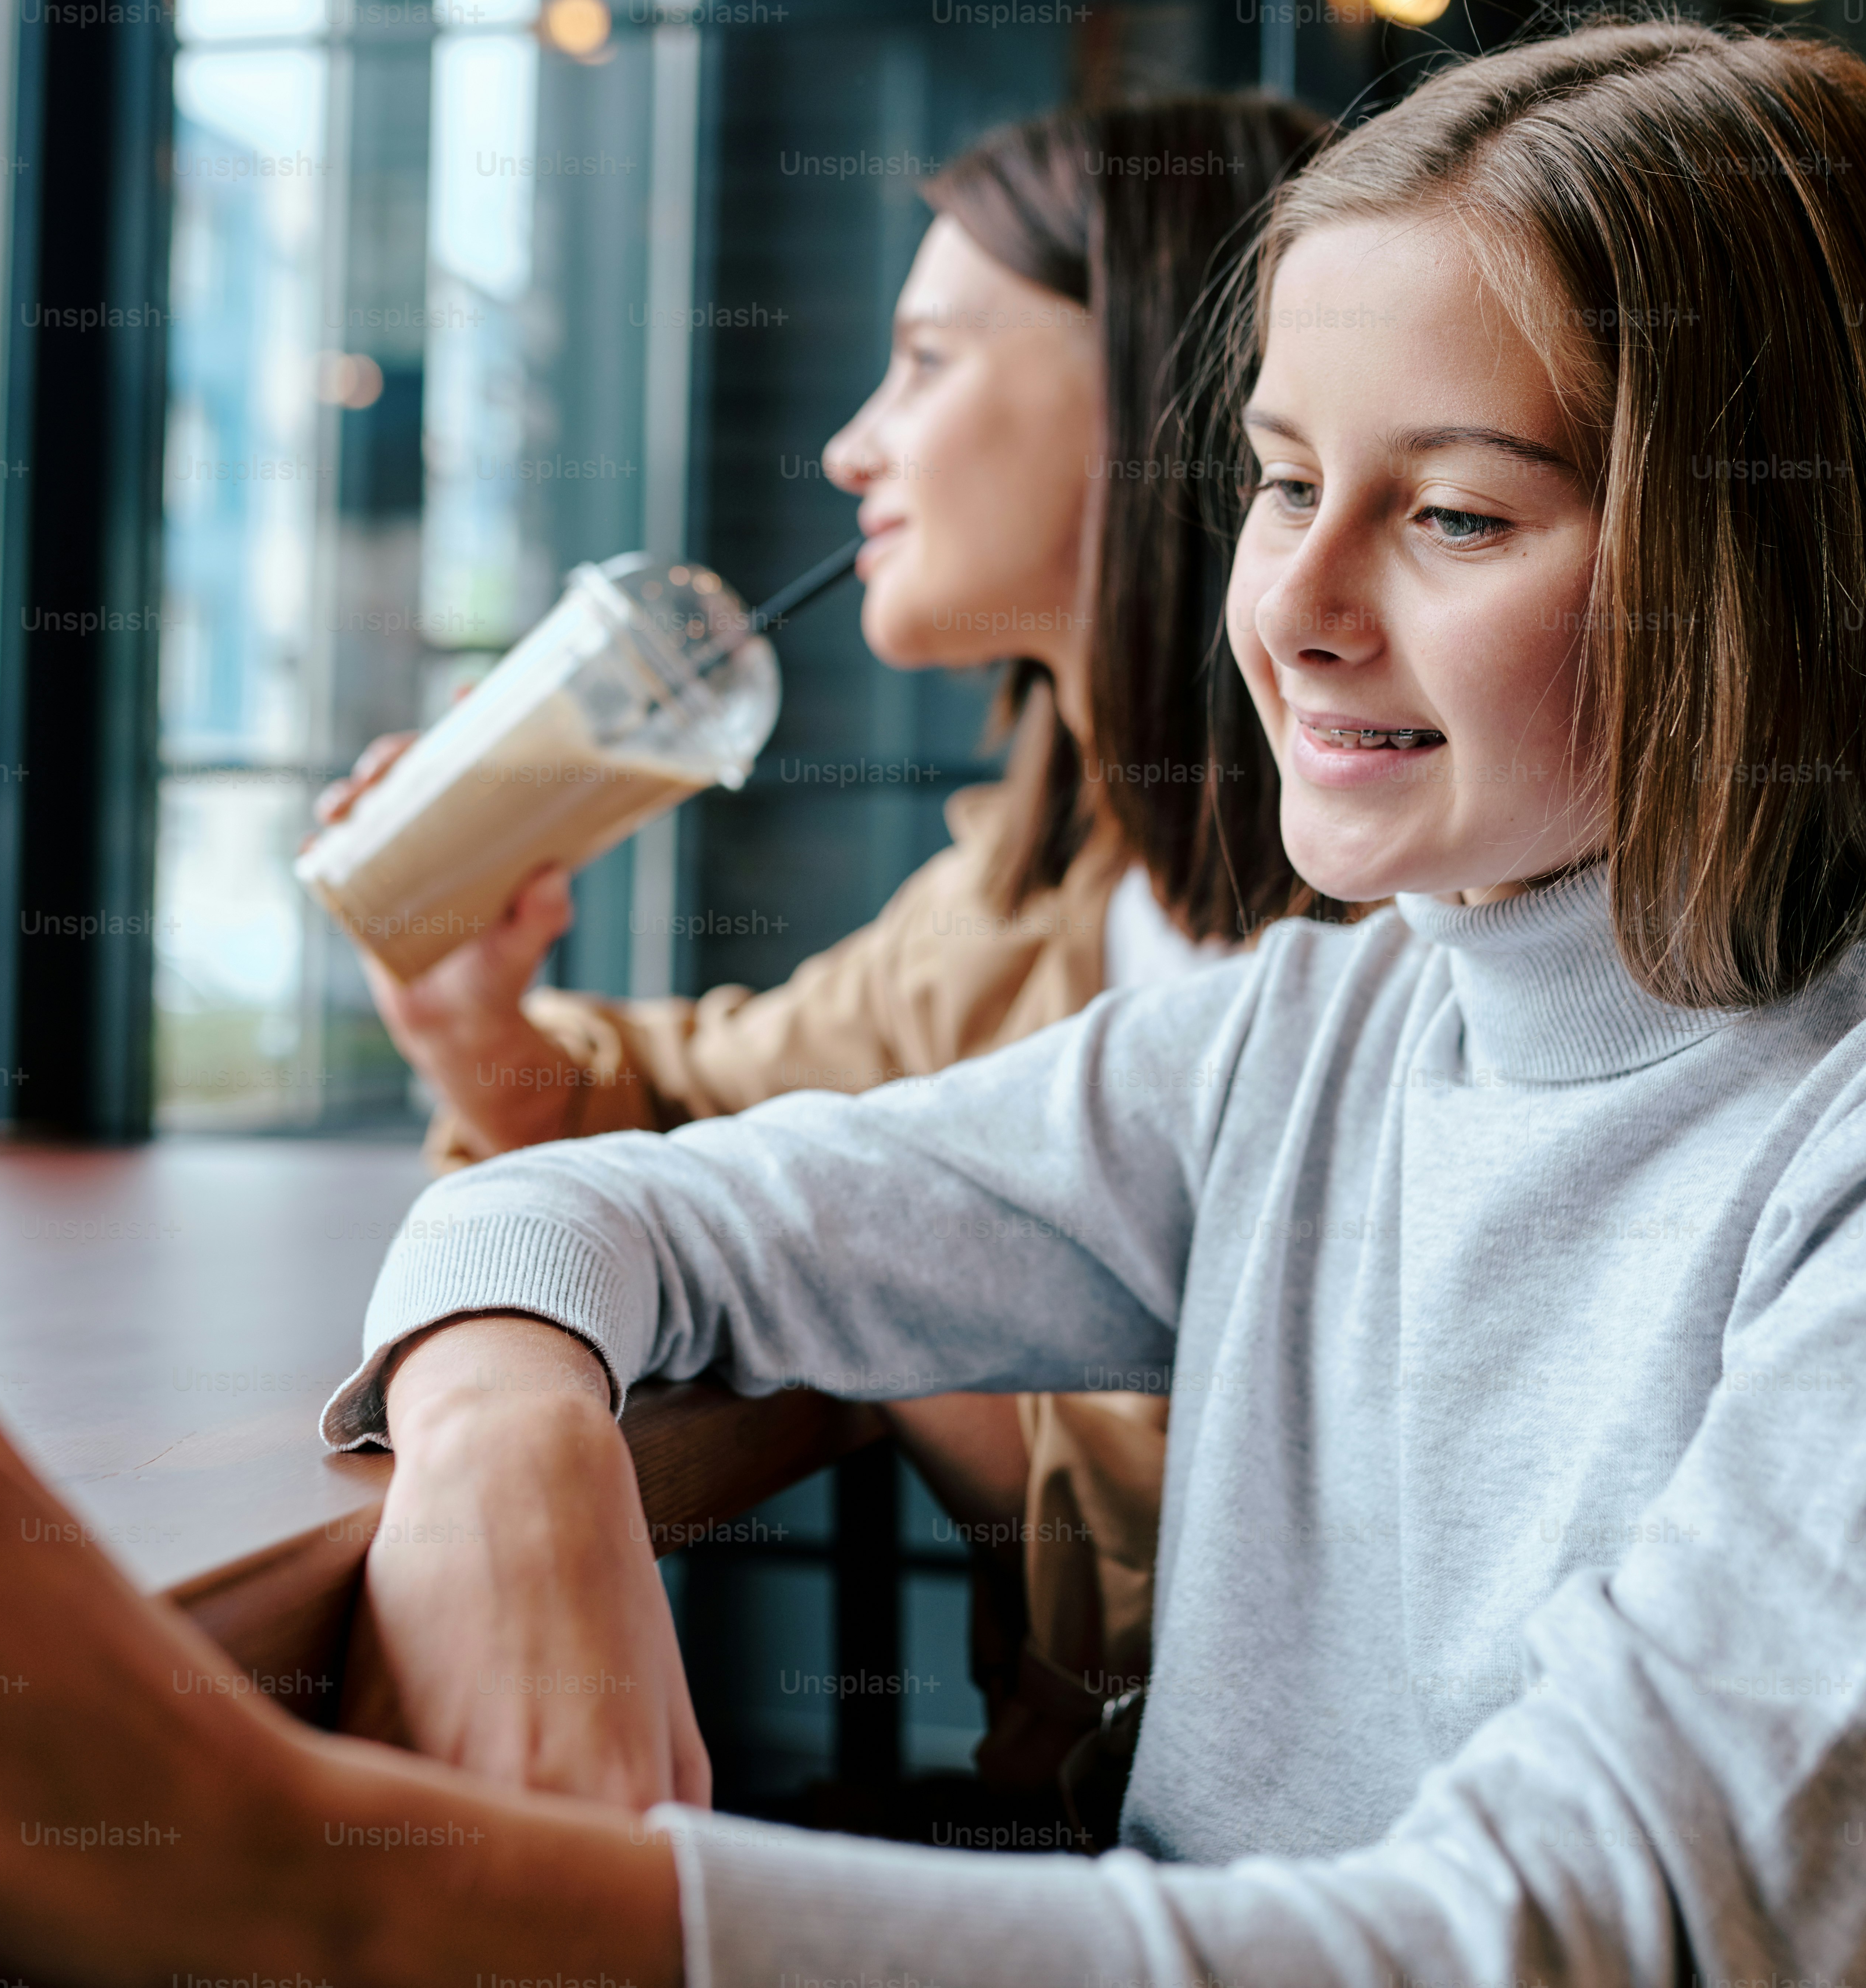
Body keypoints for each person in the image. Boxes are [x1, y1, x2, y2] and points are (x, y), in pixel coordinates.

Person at [0, 15, 1866, 1988]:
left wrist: (297, 1872)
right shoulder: (1328, 1022)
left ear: (1766, 561)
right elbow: (605, 1195)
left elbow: (1573, 1945)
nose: (1280, 605)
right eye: (1279, 480)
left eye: (1452, 513)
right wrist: (492, 1410)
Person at [311, 94, 1340, 1806]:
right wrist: (470, 1008)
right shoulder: (1024, 899)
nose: (852, 447)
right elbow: (684, 1112)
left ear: (1164, 393)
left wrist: (909, 1311)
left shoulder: (1426, 944)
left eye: (929, 362)